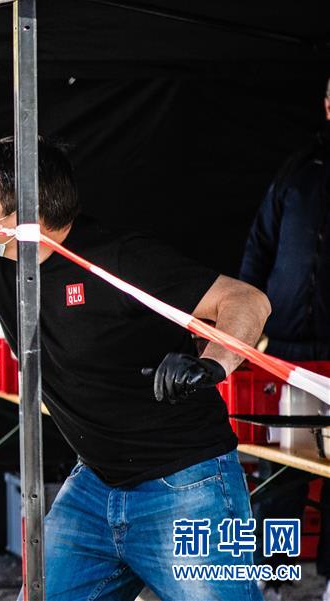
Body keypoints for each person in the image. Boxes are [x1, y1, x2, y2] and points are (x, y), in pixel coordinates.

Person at [0, 136, 271, 599]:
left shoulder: (120, 259)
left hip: (186, 485)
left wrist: (212, 364)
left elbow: (246, 300)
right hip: (95, 484)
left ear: (26, 219)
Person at [239, 76, 330, 601]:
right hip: (292, 353)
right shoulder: (298, 169)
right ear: (325, 105)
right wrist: (250, 324)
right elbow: (259, 248)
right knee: (285, 470)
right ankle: (273, 579)